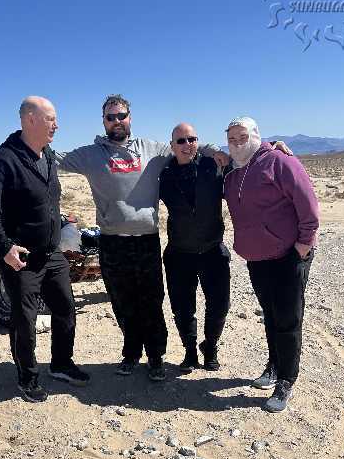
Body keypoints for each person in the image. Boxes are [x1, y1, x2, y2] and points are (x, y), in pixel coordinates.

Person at [52, 95, 224, 382]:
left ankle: (156, 357)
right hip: (111, 241)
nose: (116, 121)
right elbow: (52, 157)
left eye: (121, 116)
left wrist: (219, 150)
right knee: (122, 301)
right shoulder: (90, 155)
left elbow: (187, 145)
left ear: (130, 117)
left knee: (152, 301)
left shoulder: (152, 150)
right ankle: (131, 353)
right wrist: (23, 140)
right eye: (110, 117)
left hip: (146, 240)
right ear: (104, 122)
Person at [0, 96, 89, 403]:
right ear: (30, 120)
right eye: (51, 119)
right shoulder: (3, 161)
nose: (57, 125)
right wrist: (4, 247)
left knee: (65, 309)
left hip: (51, 253)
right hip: (21, 258)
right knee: (24, 320)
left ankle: (61, 364)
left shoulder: (48, 156)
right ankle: (27, 377)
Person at [223, 117, 319, 412]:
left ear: (256, 136)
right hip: (257, 257)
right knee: (271, 315)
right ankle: (275, 365)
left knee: (288, 318)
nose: (238, 144)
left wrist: (302, 246)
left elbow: (309, 206)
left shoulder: (279, 161)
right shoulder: (233, 170)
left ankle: (287, 380)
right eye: (232, 139)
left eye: (243, 137)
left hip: (289, 254)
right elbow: (196, 150)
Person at [159, 123, 230, 373]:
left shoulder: (213, 165)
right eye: (181, 141)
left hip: (212, 250)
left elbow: (247, 162)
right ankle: (189, 351)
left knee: (219, 306)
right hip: (180, 253)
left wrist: (271, 147)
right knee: (182, 308)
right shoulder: (164, 174)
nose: (187, 145)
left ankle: (210, 346)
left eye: (192, 139)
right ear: (172, 146)